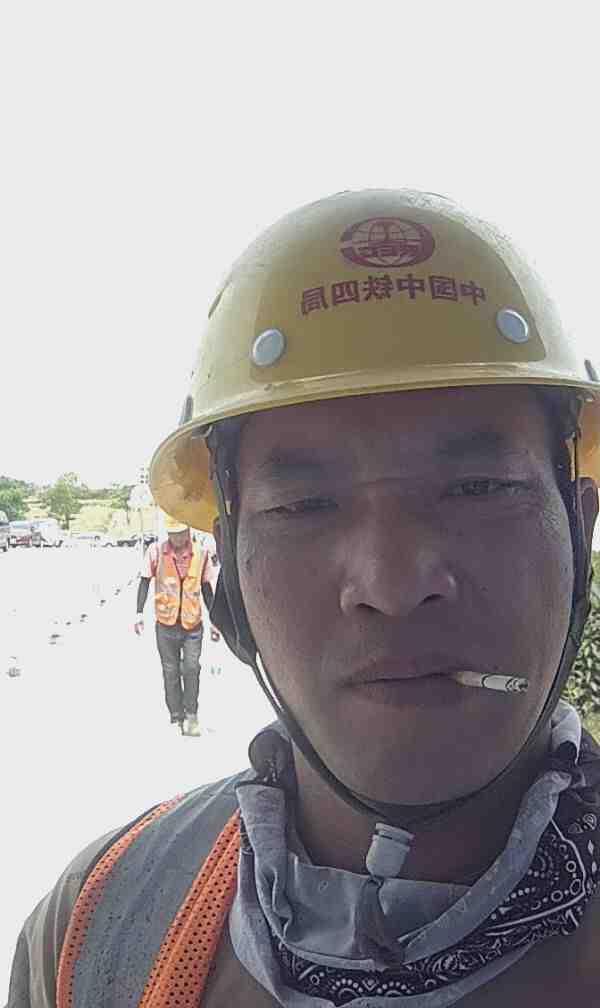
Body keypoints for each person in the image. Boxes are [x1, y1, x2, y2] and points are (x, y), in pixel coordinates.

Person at [8, 189, 600, 1006]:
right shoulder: (100, 926)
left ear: (579, 527)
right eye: (304, 506)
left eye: (478, 487)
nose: (393, 587)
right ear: (228, 570)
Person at [134, 515, 219, 736]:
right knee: (170, 672)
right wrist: (138, 613)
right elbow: (144, 581)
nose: (177, 538)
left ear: (188, 531)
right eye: (173, 534)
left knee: (192, 668)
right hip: (165, 624)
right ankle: (176, 716)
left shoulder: (201, 553)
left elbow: (207, 589)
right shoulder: (156, 552)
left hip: (193, 625)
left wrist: (215, 621)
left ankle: (191, 715)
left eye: (181, 533)